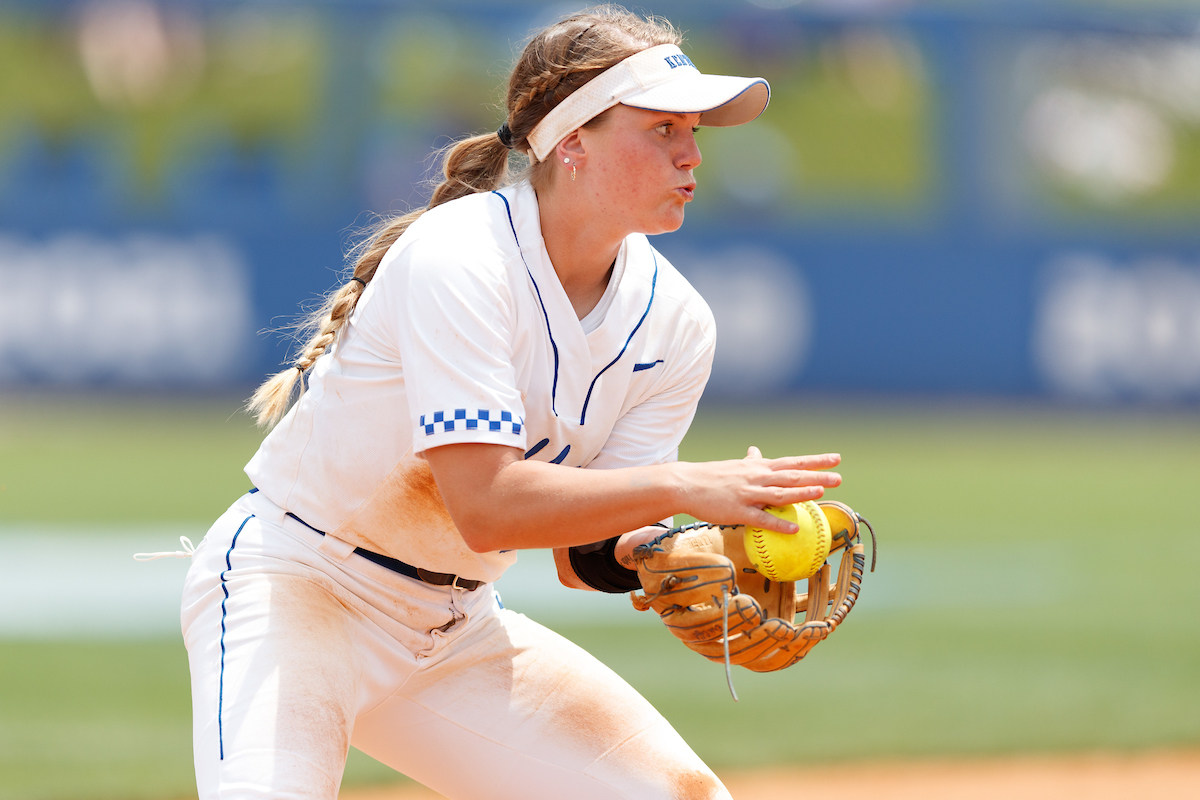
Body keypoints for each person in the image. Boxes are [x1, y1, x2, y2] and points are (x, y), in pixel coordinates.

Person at [181, 7, 841, 799]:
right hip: (297, 589)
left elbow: (582, 554)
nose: (692, 154)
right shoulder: (463, 257)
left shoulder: (677, 321)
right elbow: (488, 509)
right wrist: (683, 488)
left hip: (455, 628)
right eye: (662, 128)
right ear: (572, 142)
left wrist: (656, 553)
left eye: (694, 130)